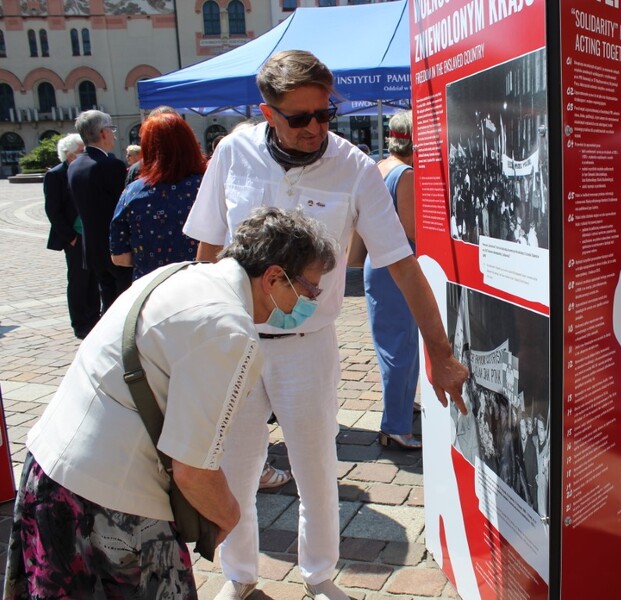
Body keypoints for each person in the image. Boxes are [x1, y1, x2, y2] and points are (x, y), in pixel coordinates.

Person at [182, 50, 468, 600]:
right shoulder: (233, 153)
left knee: (315, 467)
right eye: (300, 118)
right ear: (268, 112)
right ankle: (239, 575)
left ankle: (318, 575)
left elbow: (401, 263)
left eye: (325, 113)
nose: (316, 128)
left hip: (307, 346)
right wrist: (196, 335)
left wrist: (439, 350)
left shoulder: (354, 166)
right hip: (237, 339)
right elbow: (208, 248)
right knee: (237, 467)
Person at [3, 207, 337, 599]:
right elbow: (193, 470)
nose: (311, 302)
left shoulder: (178, 274)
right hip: (108, 504)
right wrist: (228, 515)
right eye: (310, 290)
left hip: (49, 467)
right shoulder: (230, 330)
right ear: (274, 277)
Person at [364, 111, 421, 450]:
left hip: (379, 263)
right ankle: (396, 425)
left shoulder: (380, 167)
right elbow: (411, 230)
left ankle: (401, 407)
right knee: (401, 346)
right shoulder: (405, 174)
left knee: (395, 344)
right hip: (398, 267)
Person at [110, 113, 205, 280]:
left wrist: (149, 259)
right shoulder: (207, 186)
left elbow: (119, 257)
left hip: (152, 287)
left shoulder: (133, 192)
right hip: (202, 284)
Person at [68, 109, 132, 310]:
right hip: (116, 248)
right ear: (103, 133)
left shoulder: (74, 165)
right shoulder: (110, 165)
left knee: (108, 300)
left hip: (93, 248)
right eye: (112, 129)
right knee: (124, 304)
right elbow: (124, 209)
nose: (114, 134)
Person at [43, 133, 100, 339]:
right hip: (75, 236)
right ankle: (80, 323)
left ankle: (94, 318)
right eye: (81, 151)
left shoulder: (86, 169)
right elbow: (53, 210)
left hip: (91, 233)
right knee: (78, 281)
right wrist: (71, 237)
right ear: (69, 154)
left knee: (94, 278)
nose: (85, 155)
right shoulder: (56, 175)